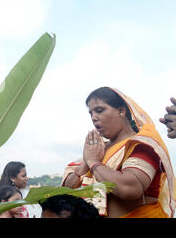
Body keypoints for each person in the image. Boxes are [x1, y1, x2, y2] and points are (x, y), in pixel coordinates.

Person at [62, 87, 176, 218]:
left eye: (99, 110)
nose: (94, 117)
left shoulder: (141, 145)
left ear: (121, 111)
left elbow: (130, 189)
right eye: (91, 113)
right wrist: (86, 164)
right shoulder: (97, 150)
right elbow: (65, 193)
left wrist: (94, 163)